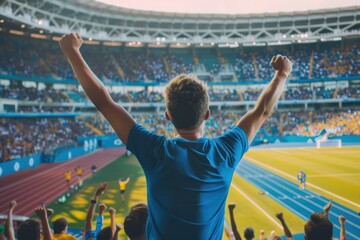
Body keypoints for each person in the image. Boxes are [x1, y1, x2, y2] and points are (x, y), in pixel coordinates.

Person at [59, 33, 292, 239]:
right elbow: (262, 111)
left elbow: (104, 102)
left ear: (168, 115)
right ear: (208, 114)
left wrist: (72, 53)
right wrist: (281, 75)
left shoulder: (156, 151)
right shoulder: (226, 151)